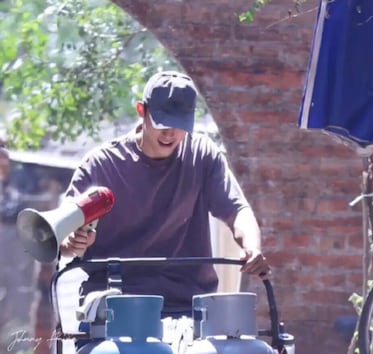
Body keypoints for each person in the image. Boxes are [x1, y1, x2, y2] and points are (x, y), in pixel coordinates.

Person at [59, 70, 270, 323]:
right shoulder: (101, 165)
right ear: (142, 111)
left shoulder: (202, 156)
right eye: (162, 123)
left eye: (180, 125)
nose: (170, 133)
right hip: (113, 307)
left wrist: (252, 247)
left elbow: (237, 211)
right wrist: (71, 242)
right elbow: (60, 233)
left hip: (190, 306)